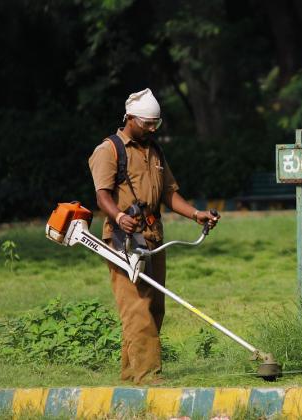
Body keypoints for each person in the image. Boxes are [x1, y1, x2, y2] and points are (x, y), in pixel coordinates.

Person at [88, 88, 219, 384]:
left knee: (154, 306)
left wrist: (195, 213)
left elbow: (169, 194)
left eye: (156, 124)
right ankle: (148, 377)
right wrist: (119, 216)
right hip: (123, 240)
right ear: (130, 118)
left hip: (153, 237)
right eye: (147, 123)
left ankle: (131, 373)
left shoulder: (155, 151)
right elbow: (102, 196)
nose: (152, 128)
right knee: (136, 307)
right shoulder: (109, 150)